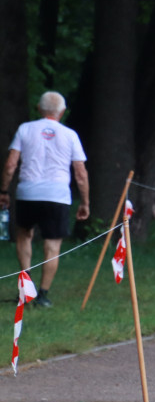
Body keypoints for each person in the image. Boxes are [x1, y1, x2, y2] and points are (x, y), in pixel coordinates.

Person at [0, 91, 90, 308]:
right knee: (52, 246)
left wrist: (3, 191)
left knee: (24, 236)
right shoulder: (70, 135)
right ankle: (43, 295)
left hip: (28, 192)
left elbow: (11, 164)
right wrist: (85, 202)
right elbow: (80, 172)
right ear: (62, 112)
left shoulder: (25, 129)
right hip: (57, 195)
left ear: (39, 109)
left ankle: (26, 289)